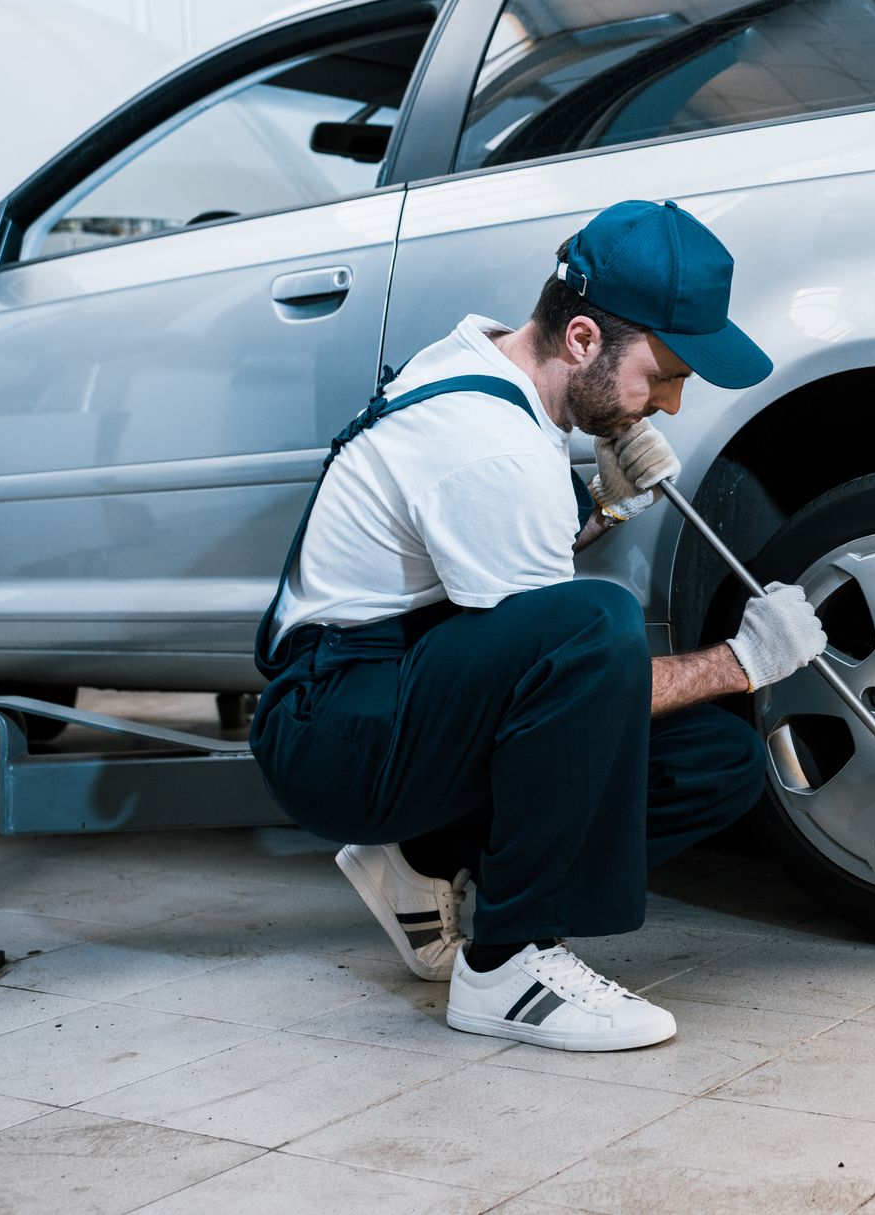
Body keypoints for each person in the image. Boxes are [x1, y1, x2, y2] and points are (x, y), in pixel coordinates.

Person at [248, 199, 826, 1052]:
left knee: (716, 763)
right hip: (335, 724)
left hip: (394, 687)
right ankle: (508, 966)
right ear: (584, 340)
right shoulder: (497, 448)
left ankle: (428, 858)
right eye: (661, 372)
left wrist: (599, 502)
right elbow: (571, 668)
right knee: (596, 623)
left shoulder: (487, 366)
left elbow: (479, 586)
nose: (667, 401)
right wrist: (743, 662)